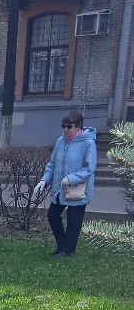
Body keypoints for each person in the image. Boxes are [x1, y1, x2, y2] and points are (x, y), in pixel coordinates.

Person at [33, 110, 97, 258]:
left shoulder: (88, 143)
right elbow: (52, 164)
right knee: (52, 216)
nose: (65, 129)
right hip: (60, 188)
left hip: (78, 189)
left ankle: (68, 251)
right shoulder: (60, 141)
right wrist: (44, 180)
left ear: (79, 126)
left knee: (73, 222)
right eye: (64, 126)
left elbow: (89, 169)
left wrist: (71, 178)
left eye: (69, 126)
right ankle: (62, 246)